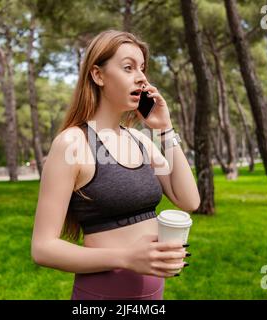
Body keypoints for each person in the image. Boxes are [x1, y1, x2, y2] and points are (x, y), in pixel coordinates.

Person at [31, 30, 200, 300]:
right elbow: (43, 248)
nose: (142, 77)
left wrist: (165, 129)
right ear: (98, 75)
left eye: (142, 69)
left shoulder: (140, 140)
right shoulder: (72, 144)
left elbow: (189, 200)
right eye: (128, 67)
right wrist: (126, 258)